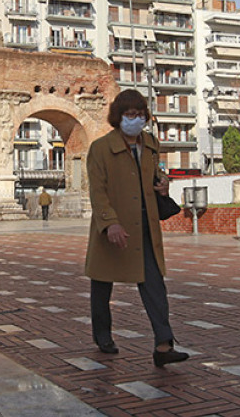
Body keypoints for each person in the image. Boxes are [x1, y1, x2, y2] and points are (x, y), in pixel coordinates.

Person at [84, 89, 188, 368]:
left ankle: (164, 344)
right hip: (114, 226)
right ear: (118, 117)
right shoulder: (100, 148)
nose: (136, 120)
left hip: (145, 227)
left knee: (155, 285)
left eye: (141, 115)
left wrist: (164, 183)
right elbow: (98, 191)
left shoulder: (151, 144)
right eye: (130, 115)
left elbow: (156, 174)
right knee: (102, 285)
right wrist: (110, 223)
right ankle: (103, 336)